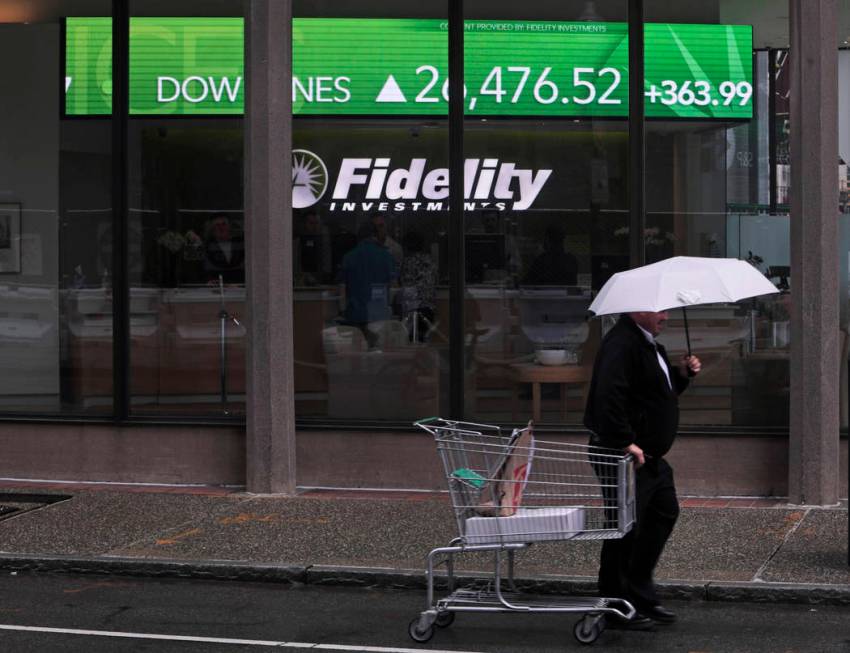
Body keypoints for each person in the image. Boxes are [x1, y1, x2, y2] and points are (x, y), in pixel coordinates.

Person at [583, 311, 701, 629]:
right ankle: (616, 604)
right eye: (659, 309)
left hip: (648, 457)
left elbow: (657, 394)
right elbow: (609, 395)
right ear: (638, 310)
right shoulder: (622, 344)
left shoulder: (649, 345)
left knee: (663, 511)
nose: (666, 316)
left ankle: (639, 594)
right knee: (624, 528)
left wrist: (682, 375)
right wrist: (624, 441)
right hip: (625, 455)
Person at [338, 219, 398, 348]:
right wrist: (389, 306)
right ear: (374, 236)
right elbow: (393, 286)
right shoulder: (387, 256)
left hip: (355, 313)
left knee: (357, 352)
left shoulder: (349, 256)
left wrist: (342, 310)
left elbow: (342, 288)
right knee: (378, 352)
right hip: (379, 313)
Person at [399, 231, 437, 342]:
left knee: (410, 342)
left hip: (413, 310)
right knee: (425, 342)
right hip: (429, 309)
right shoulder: (430, 260)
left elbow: (405, 285)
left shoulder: (408, 262)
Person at [203, 213, 244, 285]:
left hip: (240, 287)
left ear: (229, 227)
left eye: (224, 224)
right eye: (217, 225)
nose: (221, 228)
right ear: (212, 229)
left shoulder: (240, 243)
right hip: (216, 289)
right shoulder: (208, 246)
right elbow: (205, 269)